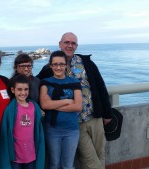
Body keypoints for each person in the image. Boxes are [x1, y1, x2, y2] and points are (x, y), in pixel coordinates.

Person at [37, 32, 112, 169]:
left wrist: (107, 113)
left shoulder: (86, 63)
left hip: (94, 116)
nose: (69, 45)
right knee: (89, 159)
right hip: (74, 122)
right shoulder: (49, 69)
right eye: (66, 42)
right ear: (60, 44)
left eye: (73, 43)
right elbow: (35, 84)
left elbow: (100, 87)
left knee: (100, 153)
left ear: (76, 46)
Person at [39, 51, 82, 169]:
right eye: (55, 64)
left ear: (66, 65)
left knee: (67, 165)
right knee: (54, 164)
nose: (58, 67)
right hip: (52, 129)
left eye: (61, 64)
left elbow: (78, 106)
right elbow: (44, 105)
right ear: (51, 65)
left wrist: (53, 104)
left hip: (71, 130)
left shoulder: (74, 82)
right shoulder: (45, 83)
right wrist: (67, 101)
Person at [0, 74, 45, 169]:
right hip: (16, 156)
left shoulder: (34, 106)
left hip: (31, 154)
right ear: (12, 90)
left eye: (26, 89)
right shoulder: (10, 109)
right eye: (19, 89)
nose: (23, 92)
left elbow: (38, 128)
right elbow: (6, 132)